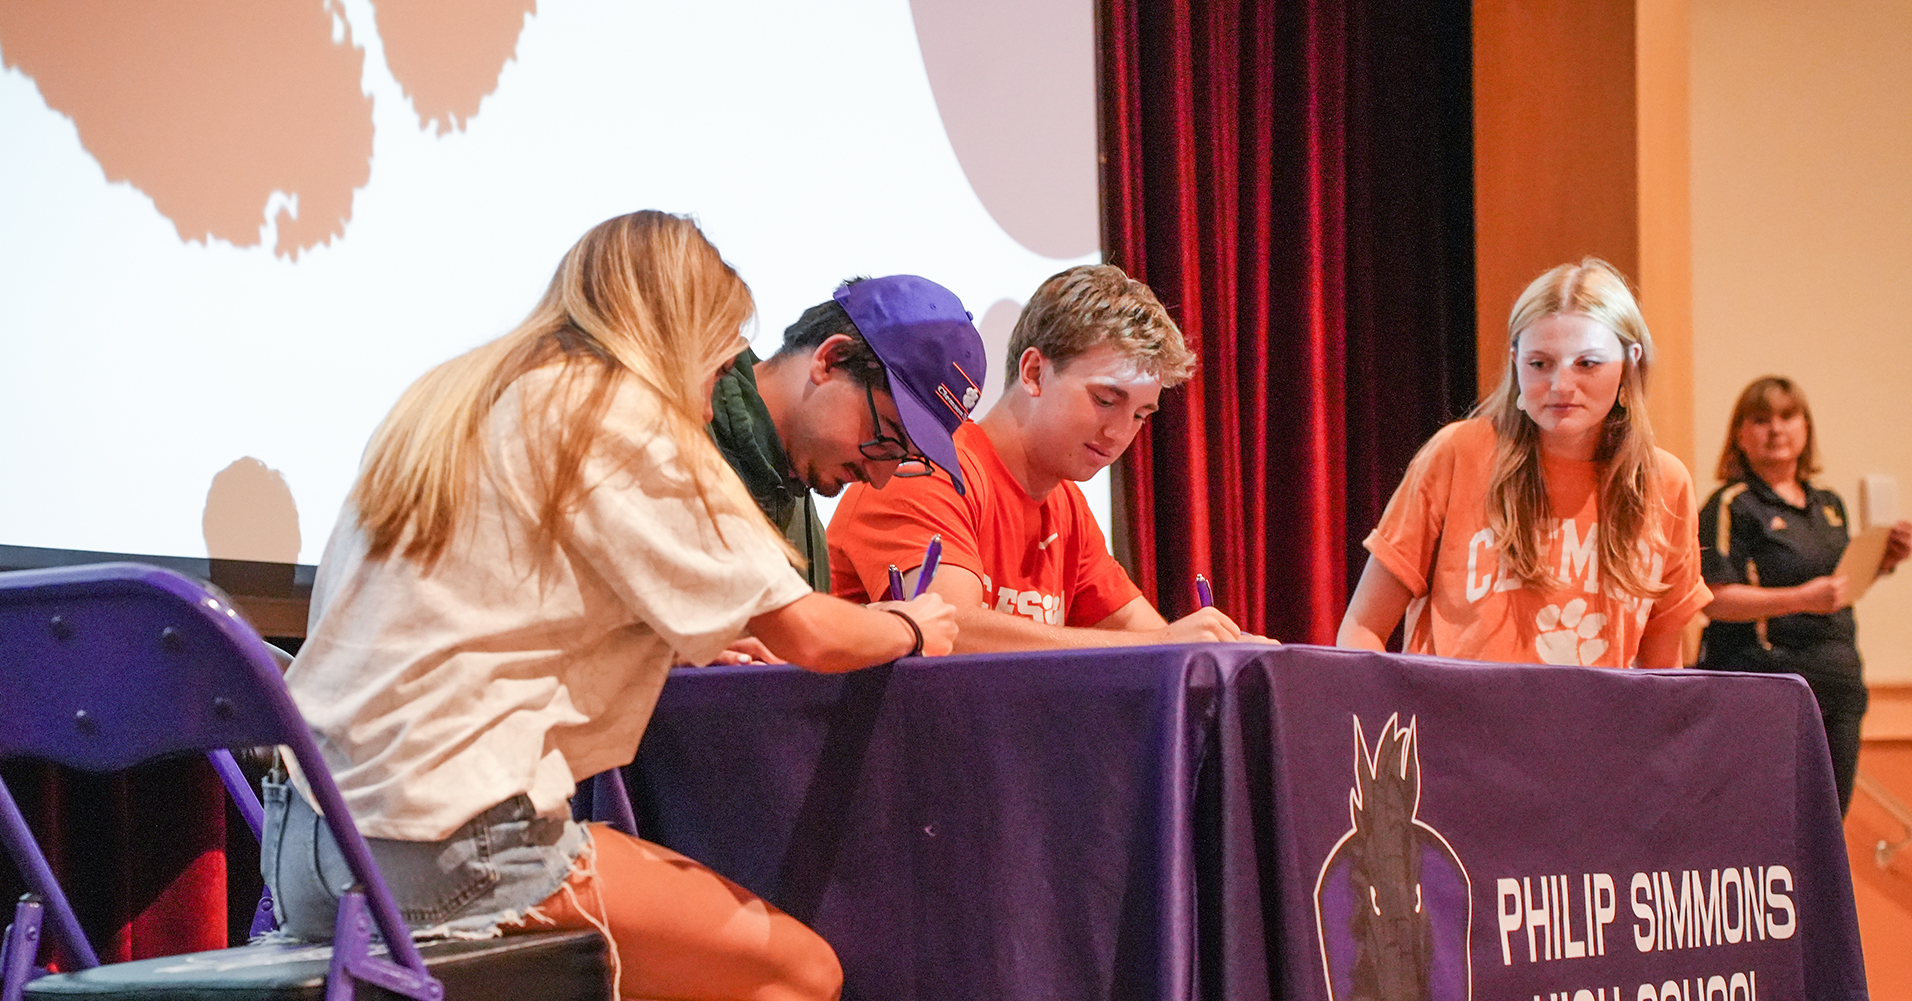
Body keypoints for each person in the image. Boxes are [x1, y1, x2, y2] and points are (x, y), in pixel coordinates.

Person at [264, 211, 957, 1001]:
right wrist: (927, 621)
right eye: (721, 350)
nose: (721, 377)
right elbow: (820, 638)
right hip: (440, 842)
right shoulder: (615, 417)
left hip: (308, 848)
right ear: (677, 331)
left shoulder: (455, 399)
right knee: (800, 980)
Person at [825, 263, 1256, 650]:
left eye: (1141, 415)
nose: (1121, 433)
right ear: (1034, 372)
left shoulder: (1066, 504)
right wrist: (1164, 643)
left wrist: (1223, 649)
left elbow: (1147, 637)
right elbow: (949, 631)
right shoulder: (925, 468)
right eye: (1106, 400)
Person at [1336, 257, 1710, 667]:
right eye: (1539, 364)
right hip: (1456, 728)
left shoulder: (1664, 482)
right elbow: (1363, 627)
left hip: (1590, 731)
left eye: (1587, 363)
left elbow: (1662, 675)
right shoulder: (1459, 452)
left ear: (1630, 362)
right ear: (1515, 360)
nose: (1561, 385)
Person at [1695, 375, 1912, 814]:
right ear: (1740, 434)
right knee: (1770, 827)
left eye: (1788, 417)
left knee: (1829, 828)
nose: (1776, 429)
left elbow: (1837, 590)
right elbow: (1712, 599)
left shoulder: (1829, 503)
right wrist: (1799, 599)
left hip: (1839, 683)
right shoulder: (1731, 504)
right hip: (1766, 685)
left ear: (1806, 428)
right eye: (1760, 419)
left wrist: (1882, 561)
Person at [708, 275, 987, 597]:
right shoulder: (675, 433)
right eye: (885, 436)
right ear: (832, 359)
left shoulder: (801, 519)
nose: (879, 479)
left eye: (905, 458)